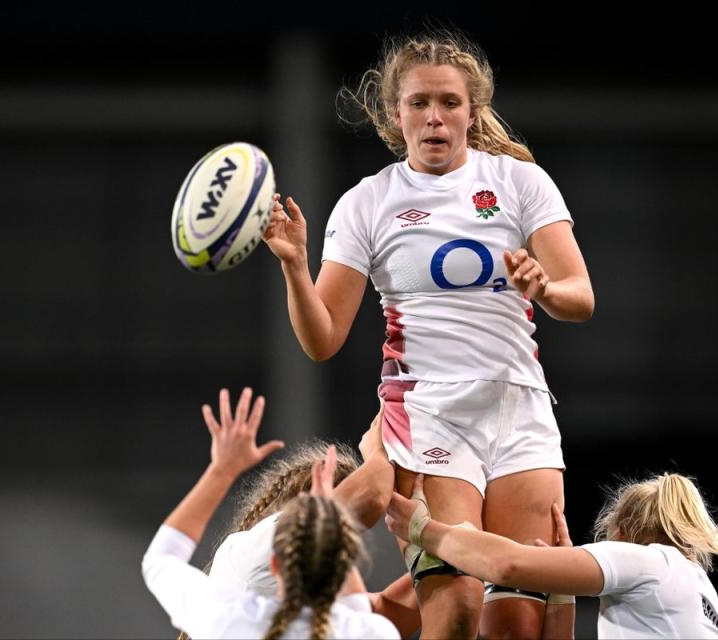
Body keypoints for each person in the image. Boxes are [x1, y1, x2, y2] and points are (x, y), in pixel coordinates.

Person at [262, 30, 593, 639]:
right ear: (396, 114)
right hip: (430, 411)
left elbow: (581, 297)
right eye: (419, 103)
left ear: (472, 111)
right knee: (459, 604)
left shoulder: (521, 183)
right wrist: (293, 265)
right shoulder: (368, 203)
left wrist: (543, 289)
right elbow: (323, 338)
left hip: (520, 407)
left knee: (519, 621)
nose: (434, 117)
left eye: (448, 102)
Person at [142, 387, 400, 639]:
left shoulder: (230, 618)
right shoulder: (367, 630)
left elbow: (160, 559)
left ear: (277, 563)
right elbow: (371, 497)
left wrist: (222, 470)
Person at [386, 471, 718, 639]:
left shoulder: (650, 562)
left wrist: (423, 530)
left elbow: (508, 564)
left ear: (621, 535)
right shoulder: (701, 593)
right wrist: (562, 593)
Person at [202, 406, 421, 637]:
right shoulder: (247, 551)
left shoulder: (310, 600)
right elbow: (371, 497)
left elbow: (385, 612)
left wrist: (439, 543)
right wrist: (381, 449)